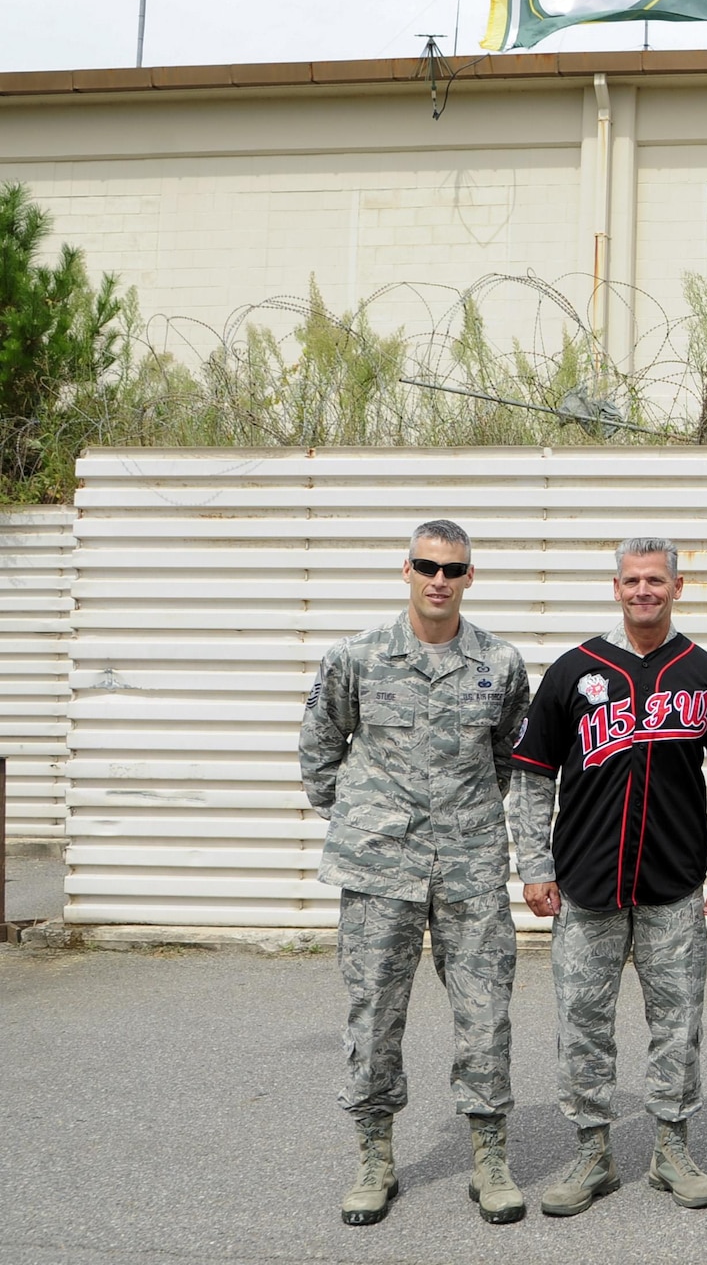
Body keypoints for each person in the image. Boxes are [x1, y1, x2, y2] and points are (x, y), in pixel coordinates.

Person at [299, 519, 532, 1227]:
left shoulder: (500, 663)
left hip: (470, 869)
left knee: (486, 1016)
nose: (439, 579)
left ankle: (489, 1156)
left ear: (469, 577)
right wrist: (368, 819)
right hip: (379, 872)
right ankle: (375, 1157)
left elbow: (507, 759)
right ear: (405, 570)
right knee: (374, 1019)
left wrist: (460, 823)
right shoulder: (357, 658)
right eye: (427, 565)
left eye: (452, 569)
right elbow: (319, 752)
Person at [507, 538, 707, 1217]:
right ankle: (593, 1153)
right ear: (616, 587)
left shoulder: (704, 674)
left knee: (677, 1021)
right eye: (633, 580)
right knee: (582, 1022)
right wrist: (534, 866)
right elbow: (531, 775)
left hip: (674, 884)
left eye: (656, 580)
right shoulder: (576, 670)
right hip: (586, 883)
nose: (645, 590)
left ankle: (672, 1146)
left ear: (677, 587)